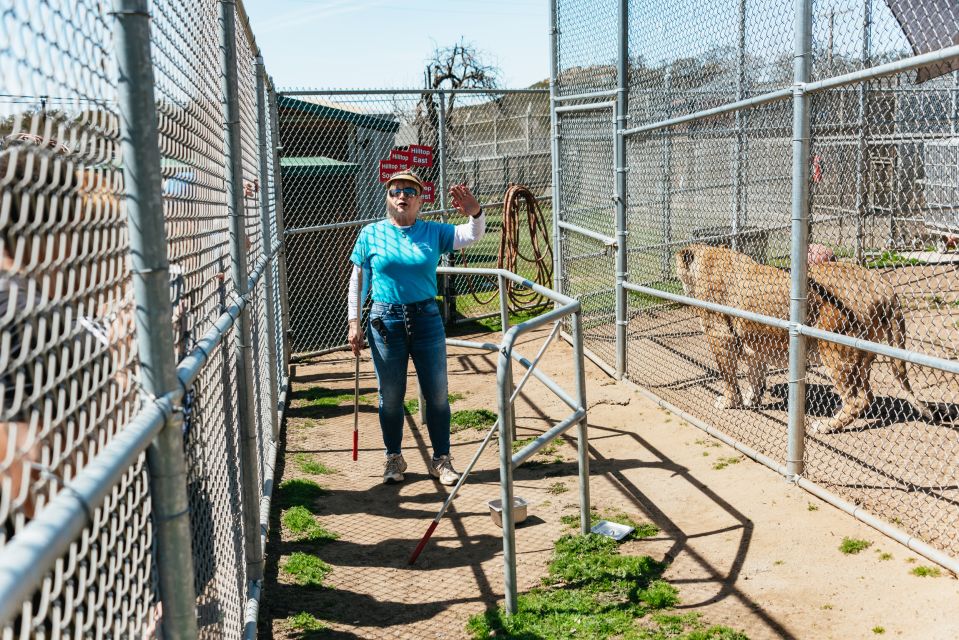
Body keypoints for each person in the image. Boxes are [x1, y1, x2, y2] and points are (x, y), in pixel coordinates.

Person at [347, 170, 484, 485]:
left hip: (425, 318)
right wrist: (354, 321)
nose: (402, 196)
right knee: (390, 396)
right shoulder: (371, 234)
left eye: (410, 191)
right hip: (385, 321)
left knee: (436, 393)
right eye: (396, 190)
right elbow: (358, 280)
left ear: (421, 199)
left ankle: (442, 459)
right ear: (388, 197)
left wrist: (475, 212)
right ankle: (394, 458)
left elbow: (472, 234)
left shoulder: (433, 232)